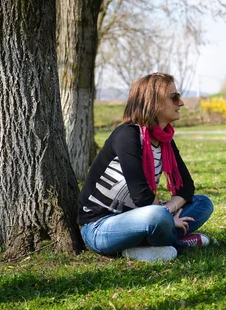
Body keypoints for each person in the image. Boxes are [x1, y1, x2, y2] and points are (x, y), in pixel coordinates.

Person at [78, 72, 213, 262]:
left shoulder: (164, 139)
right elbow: (142, 196)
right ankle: (176, 242)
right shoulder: (127, 135)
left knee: (203, 204)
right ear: (154, 102)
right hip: (99, 227)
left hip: (140, 215)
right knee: (155, 216)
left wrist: (170, 208)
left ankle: (147, 246)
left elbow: (186, 187)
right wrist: (166, 217)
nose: (180, 103)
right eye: (174, 97)